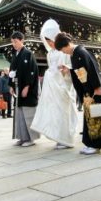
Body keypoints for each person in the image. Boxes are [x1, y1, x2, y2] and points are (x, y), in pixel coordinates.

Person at [55, 32, 101, 155]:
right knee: (89, 117)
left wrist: (97, 88)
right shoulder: (75, 54)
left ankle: (96, 146)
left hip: (94, 89)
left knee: (96, 116)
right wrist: (69, 71)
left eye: (63, 49)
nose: (63, 52)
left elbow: (93, 69)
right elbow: (81, 72)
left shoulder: (81, 52)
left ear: (67, 44)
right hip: (88, 90)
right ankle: (90, 144)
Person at [31, 19, 78, 149]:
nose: (50, 43)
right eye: (47, 41)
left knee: (64, 113)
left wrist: (59, 73)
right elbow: (52, 68)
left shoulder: (63, 50)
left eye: (50, 40)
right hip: (53, 88)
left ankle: (66, 139)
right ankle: (59, 137)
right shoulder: (50, 53)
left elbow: (68, 68)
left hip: (63, 86)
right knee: (55, 113)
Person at [9, 31, 40, 147]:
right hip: (18, 87)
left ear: (22, 40)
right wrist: (10, 85)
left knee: (28, 113)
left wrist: (27, 86)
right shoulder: (15, 55)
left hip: (27, 88)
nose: (14, 44)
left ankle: (31, 139)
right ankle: (22, 137)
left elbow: (31, 72)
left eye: (15, 42)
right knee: (20, 114)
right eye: (12, 42)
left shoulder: (28, 53)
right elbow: (12, 71)